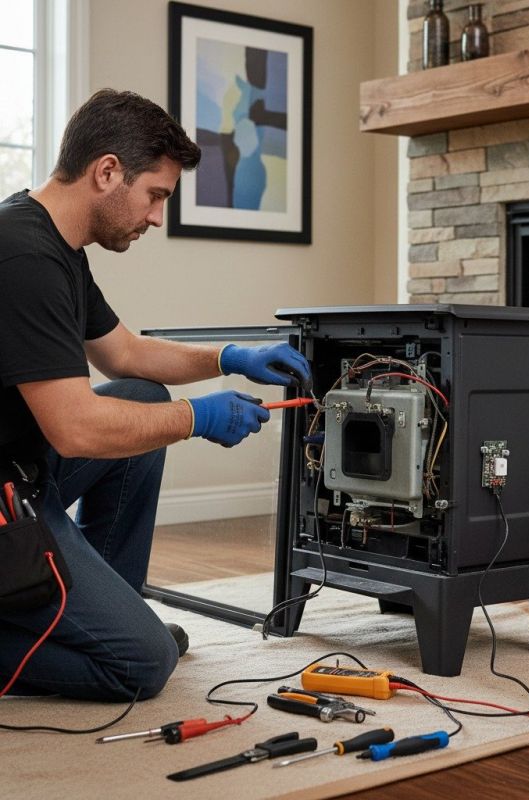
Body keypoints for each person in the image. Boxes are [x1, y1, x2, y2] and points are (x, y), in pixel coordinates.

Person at [0, 89, 311, 701]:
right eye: (156, 195)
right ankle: (117, 639)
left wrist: (231, 357)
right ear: (107, 171)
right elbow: (76, 429)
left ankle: (115, 611)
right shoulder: (23, 256)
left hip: (22, 468)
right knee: (142, 666)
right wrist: (195, 417)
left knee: (142, 395)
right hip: (9, 498)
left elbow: (125, 354)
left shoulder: (54, 243)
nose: (156, 217)